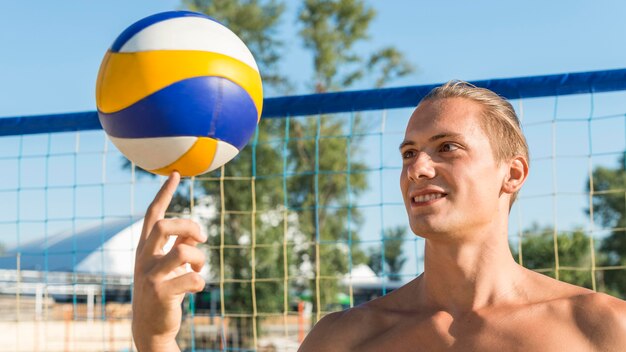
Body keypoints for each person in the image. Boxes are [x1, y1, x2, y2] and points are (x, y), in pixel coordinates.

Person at [132, 81, 626, 351]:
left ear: (512, 173)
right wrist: (154, 337)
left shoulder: (601, 328)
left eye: (446, 147)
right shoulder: (346, 338)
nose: (418, 167)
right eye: (409, 153)